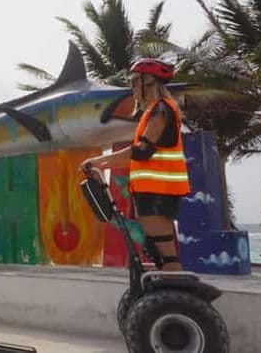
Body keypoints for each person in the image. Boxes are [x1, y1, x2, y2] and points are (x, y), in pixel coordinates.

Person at [81, 58, 190, 271]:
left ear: (148, 81)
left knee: (167, 257)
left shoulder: (162, 110)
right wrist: (101, 164)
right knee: (155, 250)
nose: (131, 88)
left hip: (159, 192)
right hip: (150, 192)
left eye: (133, 82)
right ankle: (167, 288)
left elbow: (141, 151)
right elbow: (136, 155)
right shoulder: (152, 111)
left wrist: (100, 161)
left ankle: (175, 290)